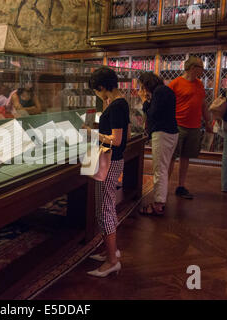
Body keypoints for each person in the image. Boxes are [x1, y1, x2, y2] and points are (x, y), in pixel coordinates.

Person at [84, 67, 130, 278]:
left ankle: (112, 261)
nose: (96, 94)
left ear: (101, 87)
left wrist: (91, 133)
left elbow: (118, 139)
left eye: (96, 90)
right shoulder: (117, 103)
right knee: (106, 207)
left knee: (104, 210)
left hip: (108, 162)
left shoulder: (117, 106)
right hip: (111, 159)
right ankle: (110, 250)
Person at [168, 56, 213, 199]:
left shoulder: (199, 84)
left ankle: (181, 186)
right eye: (201, 67)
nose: (203, 71)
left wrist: (208, 121)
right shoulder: (175, 84)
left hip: (194, 126)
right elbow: (166, 105)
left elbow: (203, 104)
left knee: (186, 157)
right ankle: (165, 186)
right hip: (178, 125)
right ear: (193, 68)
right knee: (171, 157)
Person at [138, 72, 179, 215]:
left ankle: (158, 204)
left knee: (159, 169)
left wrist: (144, 101)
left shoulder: (160, 92)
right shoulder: (164, 90)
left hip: (163, 134)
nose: (142, 90)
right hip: (170, 132)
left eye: (142, 87)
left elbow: (152, 114)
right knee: (163, 168)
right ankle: (160, 200)